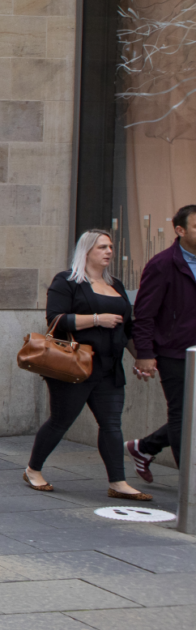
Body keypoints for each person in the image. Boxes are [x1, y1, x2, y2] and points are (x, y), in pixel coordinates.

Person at [25, 230, 149, 500]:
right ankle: (33, 470)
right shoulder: (67, 281)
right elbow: (55, 320)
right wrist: (96, 319)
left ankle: (117, 482)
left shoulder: (115, 284)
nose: (108, 252)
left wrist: (141, 356)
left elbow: (127, 327)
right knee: (60, 421)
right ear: (87, 251)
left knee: (111, 425)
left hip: (109, 368)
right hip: (74, 366)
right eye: (102, 247)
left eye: (111, 247)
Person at [127, 204, 196, 483]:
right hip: (175, 353)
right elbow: (144, 314)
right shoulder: (162, 264)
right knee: (182, 415)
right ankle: (189, 489)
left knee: (190, 417)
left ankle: (144, 448)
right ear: (180, 231)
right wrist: (144, 353)